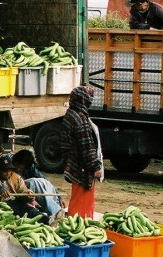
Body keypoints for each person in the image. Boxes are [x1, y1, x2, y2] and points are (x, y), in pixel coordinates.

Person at [61, 85, 104, 219]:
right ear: (83, 101)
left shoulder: (70, 114)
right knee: (83, 200)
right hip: (82, 167)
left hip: (74, 162)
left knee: (77, 197)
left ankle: (76, 222)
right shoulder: (80, 119)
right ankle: (79, 226)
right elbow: (87, 146)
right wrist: (96, 166)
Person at [0, 154, 48, 222]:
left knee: (32, 211)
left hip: (15, 201)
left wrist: (28, 194)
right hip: (1, 204)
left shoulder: (15, 177)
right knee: (24, 212)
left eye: (10, 170)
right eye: (5, 171)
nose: (8, 173)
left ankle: (46, 219)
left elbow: (22, 189)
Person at [11, 148, 65, 219]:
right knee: (33, 182)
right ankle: (55, 212)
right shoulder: (8, 163)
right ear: (15, 160)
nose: (18, 169)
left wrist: (59, 195)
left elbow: (43, 179)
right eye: (17, 166)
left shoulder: (29, 167)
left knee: (42, 182)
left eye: (21, 168)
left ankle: (56, 207)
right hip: (15, 191)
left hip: (27, 192)